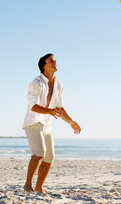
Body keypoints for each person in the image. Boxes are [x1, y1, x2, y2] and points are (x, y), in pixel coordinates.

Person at [22, 53, 81, 193]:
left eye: (55, 61)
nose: (55, 63)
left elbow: (59, 108)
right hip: (33, 122)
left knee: (50, 157)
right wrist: (49, 111)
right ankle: (27, 184)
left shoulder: (59, 85)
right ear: (44, 66)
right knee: (39, 152)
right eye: (51, 61)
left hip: (47, 124)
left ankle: (39, 187)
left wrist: (71, 122)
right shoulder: (36, 83)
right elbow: (33, 106)